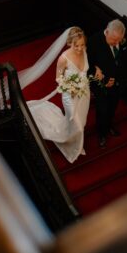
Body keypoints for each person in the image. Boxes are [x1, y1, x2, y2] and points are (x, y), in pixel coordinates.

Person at [26, 27, 101, 163]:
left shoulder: (84, 52)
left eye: (82, 44)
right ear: (69, 43)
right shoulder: (63, 59)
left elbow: (86, 70)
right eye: (76, 45)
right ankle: (75, 148)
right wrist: (70, 87)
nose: (80, 48)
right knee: (76, 122)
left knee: (82, 122)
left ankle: (74, 139)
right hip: (70, 95)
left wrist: (97, 70)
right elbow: (58, 78)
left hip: (84, 93)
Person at [87, 19, 127, 148]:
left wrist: (116, 80)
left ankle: (109, 125)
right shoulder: (94, 41)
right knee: (102, 109)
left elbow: (123, 62)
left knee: (113, 106)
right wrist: (104, 80)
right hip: (100, 83)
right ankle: (102, 134)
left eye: (118, 40)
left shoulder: (120, 41)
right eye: (113, 40)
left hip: (117, 82)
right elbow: (88, 64)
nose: (115, 43)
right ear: (107, 31)